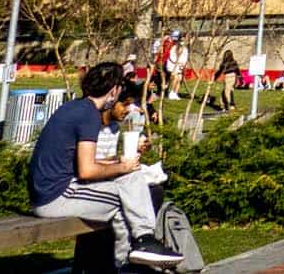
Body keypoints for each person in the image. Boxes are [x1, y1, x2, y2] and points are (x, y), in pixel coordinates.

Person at [29, 61, 183, 269]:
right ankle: (139, 247)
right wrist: (123, 167)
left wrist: (119, 163)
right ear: (113, 91)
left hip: (53, 190)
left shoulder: (76, 107)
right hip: (55, 197)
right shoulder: (89, 115)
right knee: (128, 194)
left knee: (129, 182)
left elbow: (82, 161)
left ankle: (131, 256)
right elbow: (87, 170)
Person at [163, 32, 188, 101]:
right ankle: (171, 92)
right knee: (175, 77)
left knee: (179, 78)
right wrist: (176, 63)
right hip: (172, 65)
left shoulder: (185, 49)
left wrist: (182, 64)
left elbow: (185, 58)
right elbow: (171, 57)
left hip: (180, 66)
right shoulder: (174, 48)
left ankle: (175, 93)